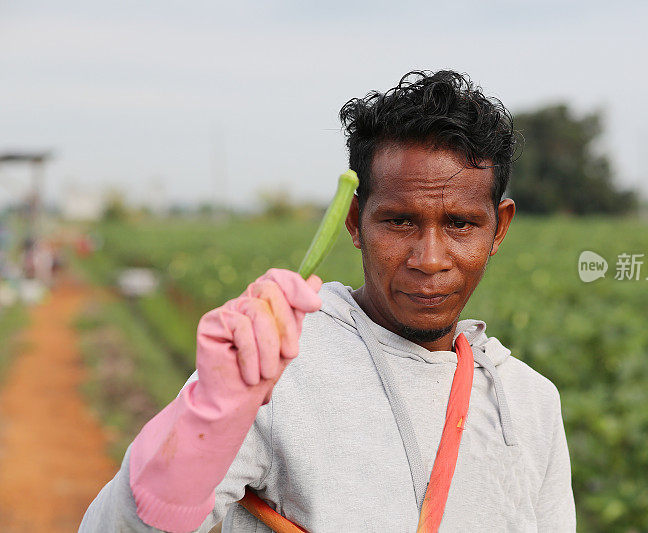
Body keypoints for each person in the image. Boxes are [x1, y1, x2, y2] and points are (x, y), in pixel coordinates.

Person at [80, 70, 576, 532]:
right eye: (399, 221)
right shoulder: (277, 365)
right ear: (355, 222)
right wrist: (204, 420)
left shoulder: (530, 402)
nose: (429, 259)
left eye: (460, 225)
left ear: (499, 227)